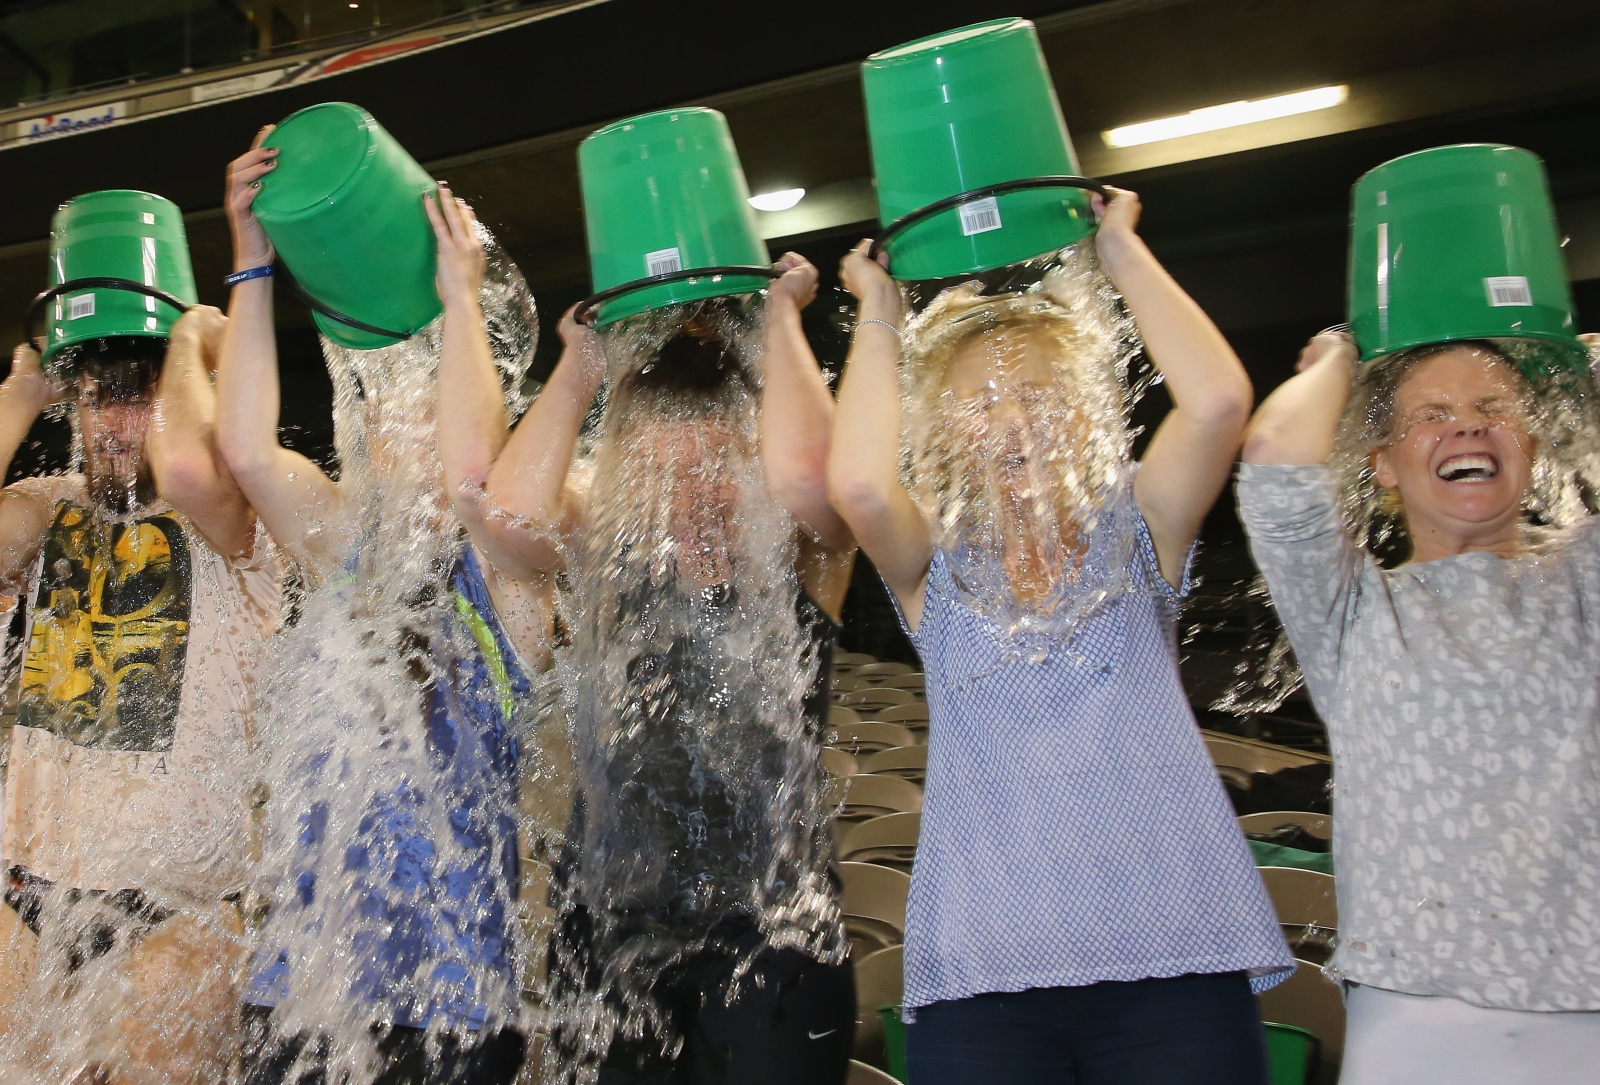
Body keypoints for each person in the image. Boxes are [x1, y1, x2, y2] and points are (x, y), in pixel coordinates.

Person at [826, 187, 1292, 1084]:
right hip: (986, 967)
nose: (1012, 420)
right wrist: (879, 319)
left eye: (1038, 394)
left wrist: (1118, 250)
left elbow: (1220, 401)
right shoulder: (938, 564)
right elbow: (860, 489)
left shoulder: (1139, 523)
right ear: (946, 436)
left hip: (1174, 950)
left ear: (1083, 410)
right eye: (978, 404)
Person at [447, 247, 857, 1083]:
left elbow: (817, 473)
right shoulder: (607, 552)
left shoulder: (802, 551)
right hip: (608, 931)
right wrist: (583, 363)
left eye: (715, 471)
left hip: (773, 938)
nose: (693, 496)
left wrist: (779, 320)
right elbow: (508, 511)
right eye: (665, 474)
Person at [216, 131, 550, 1085]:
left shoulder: (507, 569)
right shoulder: (336, 543)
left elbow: (477, 480)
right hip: (301, 989)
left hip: (450, 1003)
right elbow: (243, 452)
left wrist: (457, 301)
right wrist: (249, 259)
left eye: (420, 393)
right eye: (375, 398)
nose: (384, 418)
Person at [1238, 329, 1600, 1084]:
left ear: (1531, 446)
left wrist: (1578, 369)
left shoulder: (1582, 583)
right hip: (1412, 1012)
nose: (1465, 425)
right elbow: (1272, 453)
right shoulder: (1354, 610)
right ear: (1383, 465)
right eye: (1430, 414)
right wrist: (1342, 356)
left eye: (1492, 407)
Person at [0, 305, 281, 1085]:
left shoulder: (242, 519)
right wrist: (20, 399)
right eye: (96, 398)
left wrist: (189, 338)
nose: (111, 423)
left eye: (138, 397)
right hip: (27, 886)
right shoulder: (47, 504)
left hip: (182, 904)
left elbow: (191, 467)